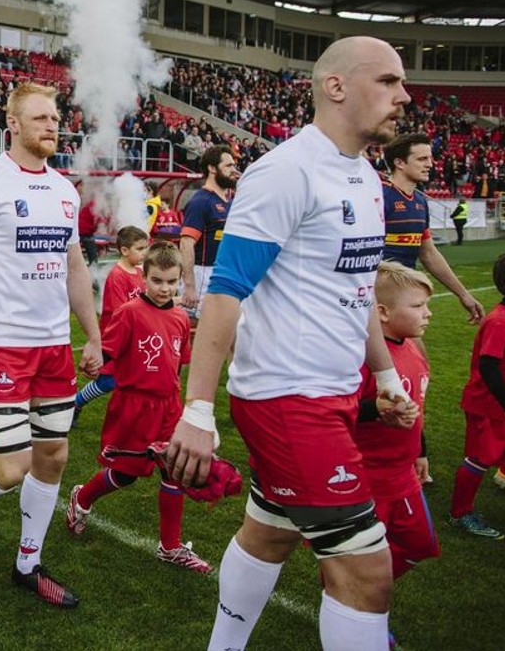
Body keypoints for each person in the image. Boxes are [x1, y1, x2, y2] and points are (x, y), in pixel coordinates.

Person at [165, 37, 414, 651]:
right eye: (387, 81)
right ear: (336, 87)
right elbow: (225, 291)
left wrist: (383, 377)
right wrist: (196, 410)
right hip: (287, 400)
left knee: (270, 532)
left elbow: (355, 292)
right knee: (365, 572)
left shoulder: (363, 175)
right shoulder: (285, 171)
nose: (403, 96)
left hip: (330, 395)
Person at [0, 83, 103, 608]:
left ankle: (27, 564)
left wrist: (93, 334)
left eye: (55, 117)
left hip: (54, 347)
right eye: (40, 117)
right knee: (11, 467)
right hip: (1, 345)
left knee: (53, 456)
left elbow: (74, 267)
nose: (52, 125)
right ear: (12, 124)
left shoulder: (64, 190)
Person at [65, 242, 211, 572]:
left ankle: (170, 546)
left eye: (172, 282)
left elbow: (179, 362)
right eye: (158, 280)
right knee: (125, 475)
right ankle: (83, 498)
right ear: (143, 276)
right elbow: (109, 351)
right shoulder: (129, 312)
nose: (165, 288)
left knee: (175, 472)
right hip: (134, 407)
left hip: (169, 408)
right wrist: (94, 362)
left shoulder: (178, 317)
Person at [352, 262, 440, 590]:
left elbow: (419, 407)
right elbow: (338, 411)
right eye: (418, 306)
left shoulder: (414, 350)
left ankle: (356, 595)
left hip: (403, 472)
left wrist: (420, 451)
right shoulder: (363, 357)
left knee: (420, 544)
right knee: (356, 558)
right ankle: (350, 603)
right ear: (382, 312)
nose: (427, 313)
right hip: (366, 477)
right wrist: (376, 408)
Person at [450, 252, 505, 539]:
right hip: (491, 408)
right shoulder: (500, 321)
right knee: (480, 458)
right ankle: (460, 513)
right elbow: (488, 365)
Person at [381, 133, 484, 324]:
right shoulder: (380, 196)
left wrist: (463, 294)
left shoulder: (420, 201)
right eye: (422, 159)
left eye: (430, 158)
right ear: (399, 163)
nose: (430, 164)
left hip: (405, 294)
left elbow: (428, 253)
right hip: (379, 298)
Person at [73, 226, 149, 420]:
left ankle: (131, 416)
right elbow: (119, 312)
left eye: (145, 248)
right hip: (115, 336)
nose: (144, 253)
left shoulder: (140, 272)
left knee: (133, 378)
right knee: (108, 381)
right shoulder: (117, 276)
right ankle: (77, 402)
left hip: (135, 336)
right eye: (140, 249)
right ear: (124, 250)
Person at [179, 145, 238, 317]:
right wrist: (189, 285)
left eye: (234, 165)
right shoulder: (201, 201)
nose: (233, 170)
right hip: (202, 273)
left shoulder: (230, 200)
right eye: (228, 166)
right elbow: (186, 244)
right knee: (198, 331)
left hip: (221, 272)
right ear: (212, 168)